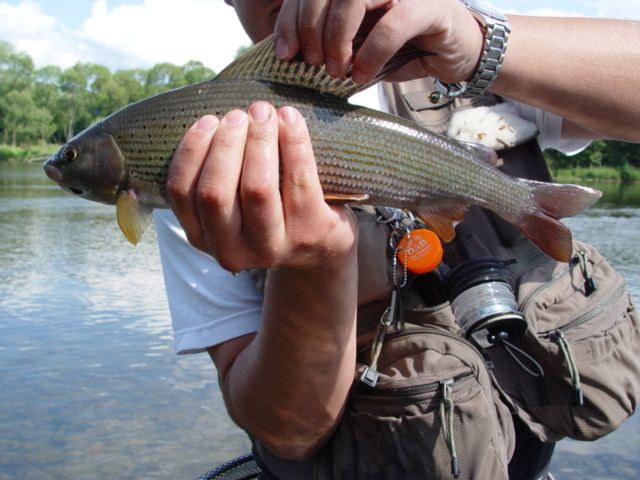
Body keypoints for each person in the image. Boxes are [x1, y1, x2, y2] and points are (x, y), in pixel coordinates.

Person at [154, 1, 640, 478]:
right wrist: (314, 267)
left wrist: (480, 42)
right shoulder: (196, 166)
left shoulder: (459, 51)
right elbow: (288, 435)